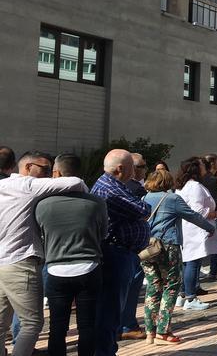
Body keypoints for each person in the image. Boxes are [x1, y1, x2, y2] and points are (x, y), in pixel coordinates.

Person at [0, 151, 90, 356]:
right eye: (46, 169)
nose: (50, 174)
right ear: (27, 167)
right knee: (32, 323)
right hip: (21, 261)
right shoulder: (28, 185)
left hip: (2, 262)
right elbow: (76, 182)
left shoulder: (2, 185)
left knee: (0, 324)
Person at [36, 153, 108, 356]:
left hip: (56, 269)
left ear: (56, 173)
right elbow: (103, 234)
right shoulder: (97, 202)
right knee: (87, 325)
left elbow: (41, 235)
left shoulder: (42, 205)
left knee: (57, 327)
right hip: (89, 267)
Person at [142, 169, 216, 344]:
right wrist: (210, 227)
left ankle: (149, 333)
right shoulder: (172, 199)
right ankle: (163, 331)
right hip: (167, 247)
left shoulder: (143, 199)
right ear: (167, 182)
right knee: (171, 285)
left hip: (146, 248)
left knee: (153, 288)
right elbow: (192, 216)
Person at [91, 149, 152, 356]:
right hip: (115, 254)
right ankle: (105, 351)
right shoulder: (111, 189)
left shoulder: (116, 185)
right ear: (120, 169)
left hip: (121, 254)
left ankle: (107, 349)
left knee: (113, 309)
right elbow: (144, 210)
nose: (135, 172)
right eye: (133, 167)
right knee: (110, 310)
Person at [175, 157, 217, 311]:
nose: (204, 168)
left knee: (188, 262)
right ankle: (190, 297)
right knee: (193, 263)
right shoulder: (194, 187)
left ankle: (183, 295)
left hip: (190, 228)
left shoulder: (184, 186)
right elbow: (198, 211)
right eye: (201, 165)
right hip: (195, 230)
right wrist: (213, 214)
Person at [119, 152, 149, 341]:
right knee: (130, 289)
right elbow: (142, 214)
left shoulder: (121, 187)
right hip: (129, 249)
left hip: (124, 247)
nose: (146, 169)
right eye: (143, 166)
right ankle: (127, 324)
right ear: (134, 168)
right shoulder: (135, 189)